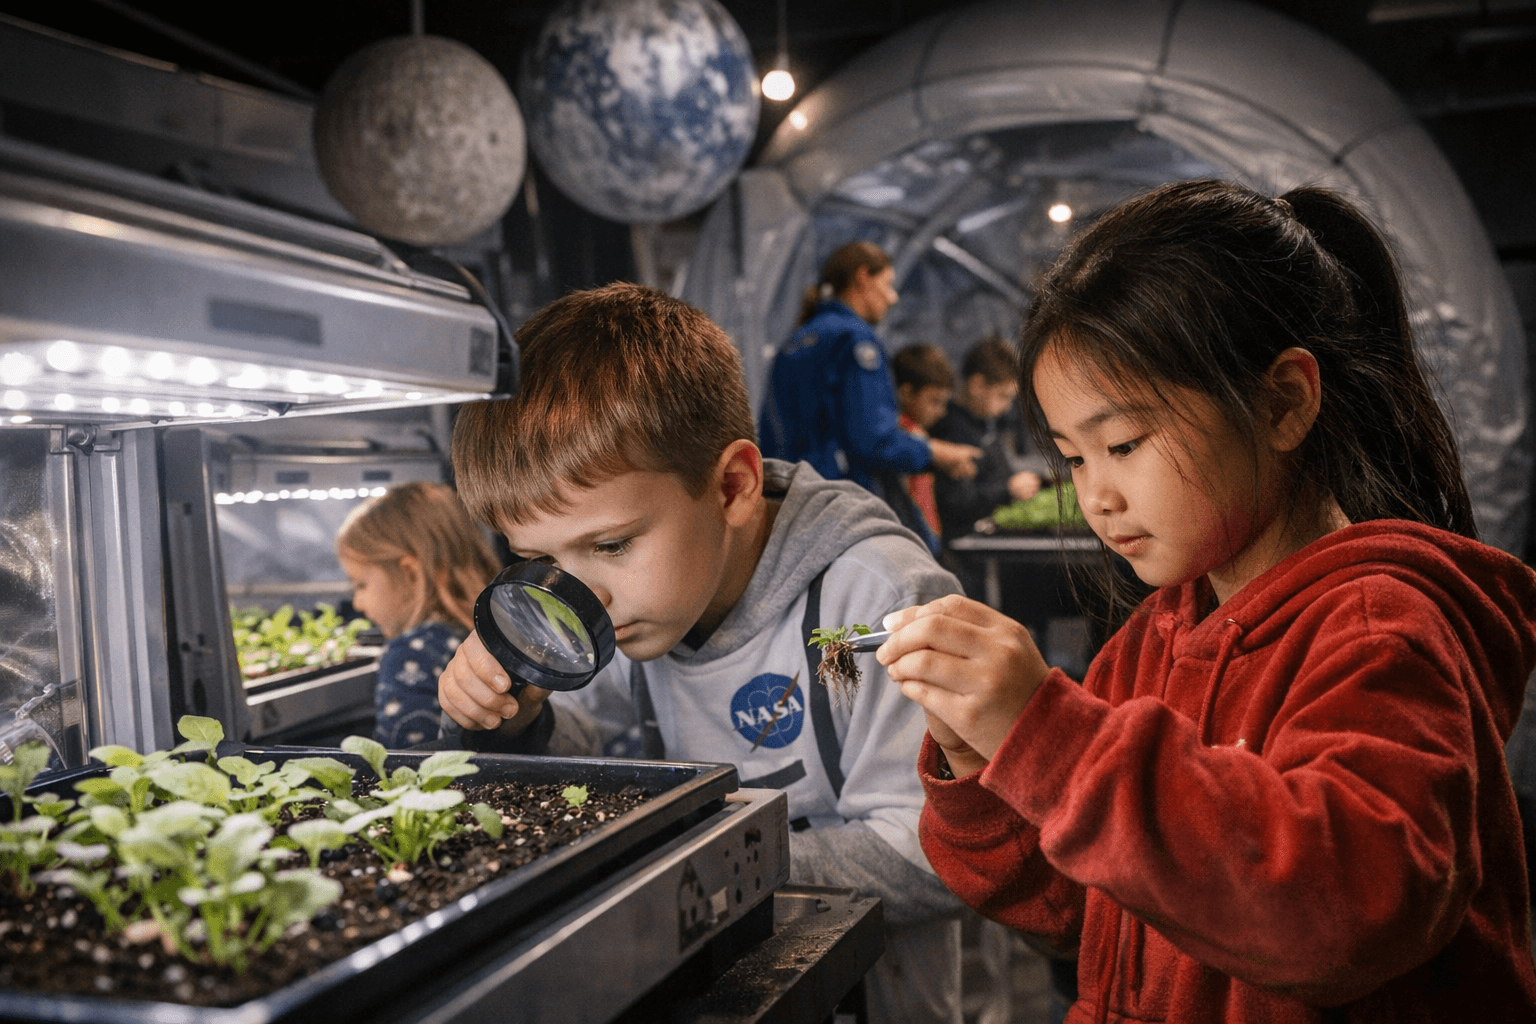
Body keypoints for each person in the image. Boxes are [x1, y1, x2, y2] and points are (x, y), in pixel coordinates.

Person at [875, 180, 1536, 1022]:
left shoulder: (1380, 628)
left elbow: (1343, 913)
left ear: (1282, 402)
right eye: (1074, 459)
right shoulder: (1155, 640)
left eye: (1122, 443)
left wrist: (1047, 733)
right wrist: (983, 759)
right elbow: (1065, 908)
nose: (1096, 497)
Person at [439, 282, 969, 1024]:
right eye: (538, 559)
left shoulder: (860, 608)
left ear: (731, 486)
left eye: (612, 544)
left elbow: (940, 856)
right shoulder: (631, 609)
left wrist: (693, 860)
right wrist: (513, 723)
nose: (581, 599)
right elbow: (577, 742)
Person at [758, 241, 981, 535]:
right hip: (839, 508)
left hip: (788, 506)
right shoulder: (853, 340)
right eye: (887, 284)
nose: (892, 297)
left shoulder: (796, 341)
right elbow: (873, 440)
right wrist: (936, 453)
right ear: (863, 278)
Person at [335, 481, 499, 749]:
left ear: (411, 574)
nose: (358, 602)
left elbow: (404, 769)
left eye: (360, 584)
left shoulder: (408, 653)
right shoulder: (485, 633)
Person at [930, 337, 1043, 545]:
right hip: (962, 546)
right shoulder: (951, 431)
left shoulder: (983, 422)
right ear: (977, 385)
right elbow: (954, 503)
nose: (1008, 407)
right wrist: (1007, 490)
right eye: (1003, 396)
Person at [892, 342, 956, 554]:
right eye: (934, 401)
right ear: (907, 392)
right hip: (913, 546)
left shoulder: (918, 433)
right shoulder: (904, 438)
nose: (941, 411)